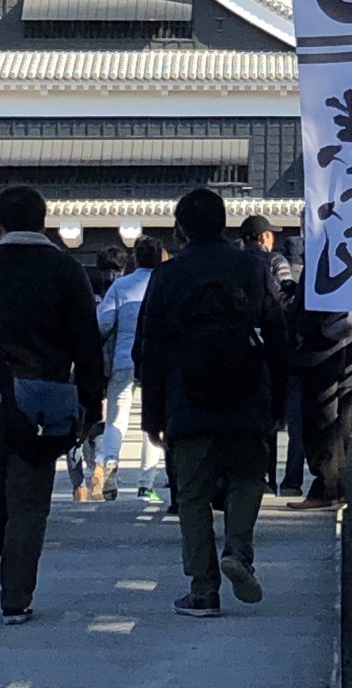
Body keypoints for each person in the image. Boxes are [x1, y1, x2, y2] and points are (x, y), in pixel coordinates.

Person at [0, 184, 105, 626]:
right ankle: (16, 600)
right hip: (39, 404)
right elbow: (87, 343)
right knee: (28, 503)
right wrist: (91, 404)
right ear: (44, 223)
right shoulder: (66, 269)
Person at [135, 187, 288, 618]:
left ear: (180, 228)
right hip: (246, 391)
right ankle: (238, 551)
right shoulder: (252, 266)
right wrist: (277, 400)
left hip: (188, 397)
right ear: (223, 223)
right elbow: (276, 333)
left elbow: (151, 348)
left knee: (193, 495)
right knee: (246, 478)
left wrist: (153, 415)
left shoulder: (168, 275)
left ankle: (203, 589)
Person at [96, 233, 166, 501]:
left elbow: (103, 323)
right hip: (156, 362)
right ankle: (145, 484)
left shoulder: (121, 286)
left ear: (136, 258)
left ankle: (111, 462)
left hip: (124, 360)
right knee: (153, 421)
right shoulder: (164, 282)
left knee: (116, 419)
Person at [240, 215, 303, 493]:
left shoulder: (234, 263)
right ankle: (273, 478)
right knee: (273, 417)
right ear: (264, 237)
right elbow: (284, 296)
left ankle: (250, 475)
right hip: (272, 344)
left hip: (239, 346)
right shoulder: (276, 262)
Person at [290, 290, 352, 510]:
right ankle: (337, 486)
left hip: (319, 351)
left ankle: (326, 487)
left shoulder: (318, 263)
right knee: (339, 425)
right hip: (348, 350)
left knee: (321, 423)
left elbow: (306, 305)